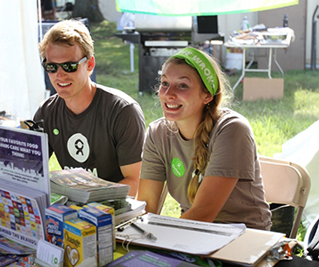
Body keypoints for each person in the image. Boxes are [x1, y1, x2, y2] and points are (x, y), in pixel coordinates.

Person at [137, 47, 272, 230]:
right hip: (191, 236)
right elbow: (146, 208)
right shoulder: (157, 133)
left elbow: (203, 214)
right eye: (164, 83)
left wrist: (159, 240)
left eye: (182, 85)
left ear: (207, 95)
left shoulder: (232, 129)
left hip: (243, 241)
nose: (169, 93)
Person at [33, 19, 145, 196]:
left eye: (69, 66)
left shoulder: (122, 110)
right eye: (51, 67)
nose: (59, 75)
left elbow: (136, 181)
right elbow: (29, 172)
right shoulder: (46, 111)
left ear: (90, 64)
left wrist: (91, 205)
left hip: (117, 211)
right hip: (75, 211)